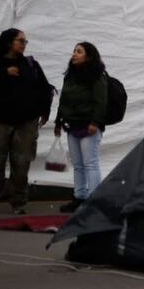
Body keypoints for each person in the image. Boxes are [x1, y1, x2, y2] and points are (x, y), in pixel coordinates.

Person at [0, 28, 54, 215]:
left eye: (25, 41)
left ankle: (19, 201)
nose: (24, 44)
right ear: (9, 42)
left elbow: (44, 88)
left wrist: (45, 110)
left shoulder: (30, 63)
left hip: (26, 122)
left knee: (22, 163)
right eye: (20, 40)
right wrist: (4, 74)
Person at [54, 42, 108, 213]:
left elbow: (101, 101)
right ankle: (79, 197)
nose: (74, 54)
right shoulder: (70, 75)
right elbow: (63, 99)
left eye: (79, 52)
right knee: (77, 164)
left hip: (88, 125)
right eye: (74, 51)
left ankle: (94, 201)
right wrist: (58, 121)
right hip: (72, 124)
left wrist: (95, 122)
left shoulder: (97, 75)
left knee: (90, 163)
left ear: (89, 56)